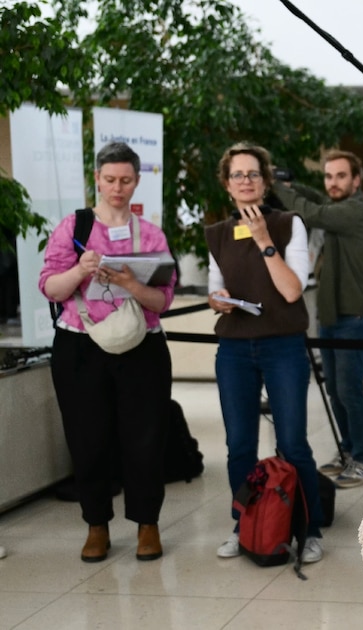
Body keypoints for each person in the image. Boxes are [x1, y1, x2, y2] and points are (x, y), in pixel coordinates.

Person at [39, 141, 176, 563]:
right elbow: (49, 287)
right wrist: (80, 270)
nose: (118, 188)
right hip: (80, 346)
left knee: (146, 437)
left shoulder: (150, 233)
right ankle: (96, 524)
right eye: (110, 179)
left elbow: (162, 301)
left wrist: (132, 283)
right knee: (87, 436)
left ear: (137, 181)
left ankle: (147, 524)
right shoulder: (74, 227)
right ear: (96, 179)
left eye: (126, 180)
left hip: (141, 346)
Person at [206, 142, 325, 563]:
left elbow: (292, 290)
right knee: (239, 445)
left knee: (293, 443)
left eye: (253, 174)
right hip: (234, 347)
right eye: (237, 175)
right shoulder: (218, 233)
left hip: (282, 346)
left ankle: (309, 531)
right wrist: (218, 299)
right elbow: (215, 285)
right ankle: (245, 526)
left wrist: (264, 242)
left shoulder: (288, 223)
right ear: (227, 184)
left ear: (265, 180)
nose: (245, 182)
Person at [273, 150, 363, 488]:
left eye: (341, 176)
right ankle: (347, 451)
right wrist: (292, 183)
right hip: (330, 314)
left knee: (350, 390)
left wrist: (277, 185)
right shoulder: (338, 204)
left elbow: (311, 211)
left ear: (356, 180)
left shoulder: (357, 211)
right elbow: (316, 198)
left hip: (354, 316)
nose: (333, 183)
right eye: (329, 176)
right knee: (334, 389)